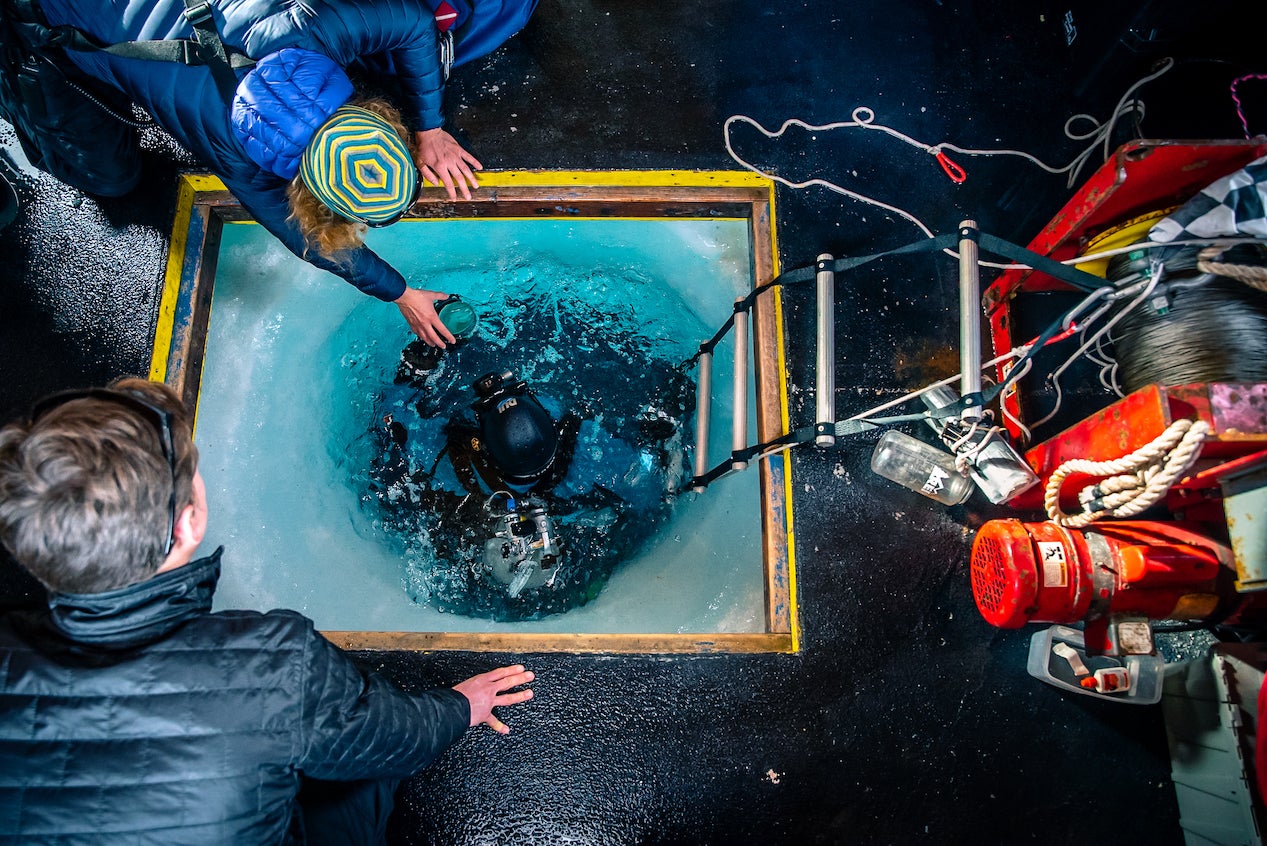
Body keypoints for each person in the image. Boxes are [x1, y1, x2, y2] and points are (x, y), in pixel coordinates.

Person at [0, 377, 534, 844]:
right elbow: (396, 738)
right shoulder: (273, 663)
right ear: (187, 525)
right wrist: (461, 705)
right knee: (364, 772)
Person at [3, 0, 529, 347]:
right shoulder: (236, 153)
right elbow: (310, 242)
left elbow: (414, 23)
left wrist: (430, 128)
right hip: (51, 15)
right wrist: (400, 293)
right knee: (110, 180)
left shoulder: (311, 29)